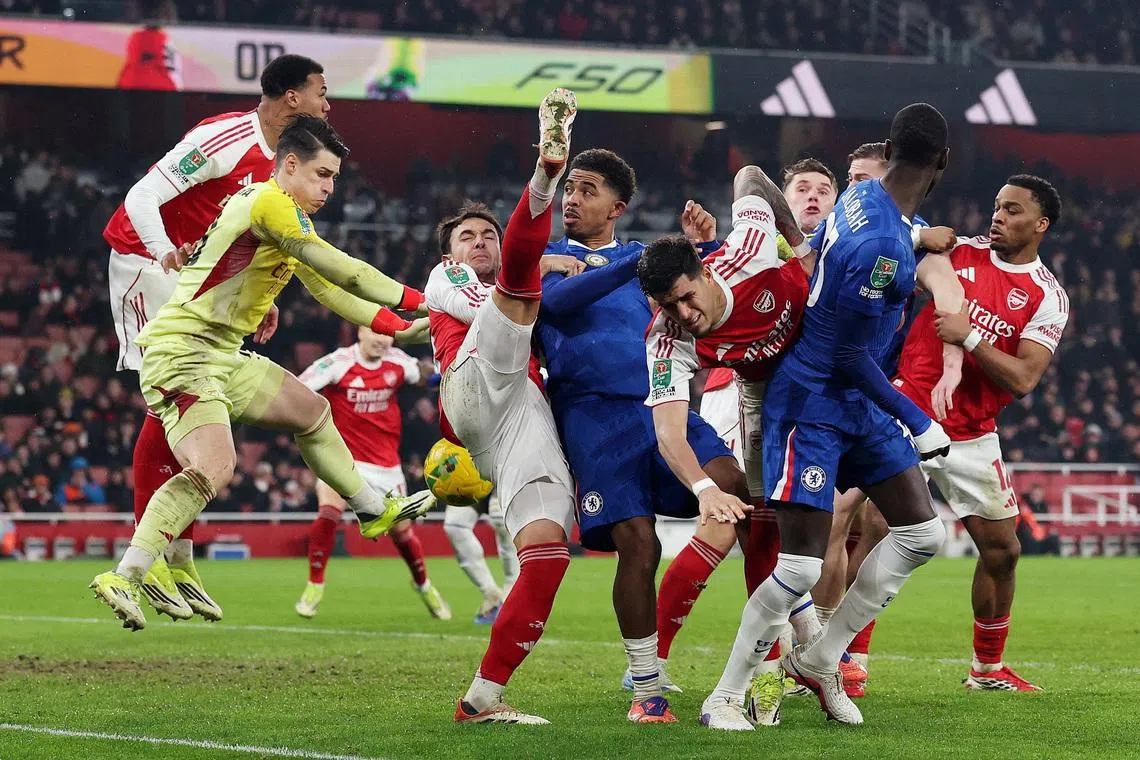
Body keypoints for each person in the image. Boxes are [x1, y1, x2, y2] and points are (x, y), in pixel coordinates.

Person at [89, 116, 435, 632]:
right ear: (289, 164)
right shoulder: (268, 201)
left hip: (222, 355)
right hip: (182, 353)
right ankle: (127, 574)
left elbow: (329, 290)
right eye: (322, 175)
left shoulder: (286, 214)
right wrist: (425, 300)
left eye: (335, 178)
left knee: (312, 411)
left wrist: (399, 328)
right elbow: (346, 270)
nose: (329, 188)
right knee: (214, 466)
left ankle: (369, 508)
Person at [102, 54, 331, 622]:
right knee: (174, 400)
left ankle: (174, 553)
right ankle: (154, 554)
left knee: (198, 404)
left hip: (197, 280)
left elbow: (248, 241)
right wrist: (163, 255)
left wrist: (259, 302)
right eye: (321, 92)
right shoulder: (226, 136)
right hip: (146, 261)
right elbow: (140, 198)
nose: (329, 103)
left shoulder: (285, 166)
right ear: (292, 98)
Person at [756, 103, 957, 726]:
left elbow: (923, 260)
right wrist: (918, 418)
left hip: (854, 400)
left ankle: (822, 655)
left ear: (888, 149)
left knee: (922, 531)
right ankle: (739, 681)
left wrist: (928, 244)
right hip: (821, 396)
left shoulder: (864, 204)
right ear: (942, 164)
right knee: (799, 556)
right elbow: (847, 352)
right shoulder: (881, 240)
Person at [535, 149, 750, 724]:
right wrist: (638, 261)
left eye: (586, 190)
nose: (571, 199)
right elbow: (553, 305)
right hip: (592, 416)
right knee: (639, 542)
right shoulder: (545, 260)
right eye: (569, 189)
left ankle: (786, 641)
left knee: (733, 486)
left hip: (662, 399)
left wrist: (702, 247)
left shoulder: (644, 264)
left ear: (617, 207)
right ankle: (647, 688)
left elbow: (705, 288)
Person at [637, 163, 816, 730]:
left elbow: (748, 176)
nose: (684, 316)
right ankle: (768, 668)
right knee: (762, 523)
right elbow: (669, 428)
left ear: (705, 269)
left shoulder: (753, 245)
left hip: (823, 371)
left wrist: (800, 242)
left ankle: (822, 657)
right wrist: (704, 487)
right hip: (760, 393)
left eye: (687, 299)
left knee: (832, 527)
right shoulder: (666, 338)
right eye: (669, 306)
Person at [427, 88, 580, 725]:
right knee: (516, 289)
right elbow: (502, 293)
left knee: (547, 555)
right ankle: (546, 171)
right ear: (449, 251)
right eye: (469, 236)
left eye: (490, 234)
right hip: (472, 381)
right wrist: (550, 262)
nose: (480, 242)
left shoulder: (513, 285)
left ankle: (483, 698)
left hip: (517, 414)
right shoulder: (448, 278)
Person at [895, 175, 1069, 691]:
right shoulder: (956, 254)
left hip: (972, 432)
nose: (997, 216)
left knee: (1003, 549)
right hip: (908, 412)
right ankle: (849, 661)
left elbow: (1023, 379)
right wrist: (918, 238)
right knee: (872, 528)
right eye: (996, 206)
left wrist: (968, 335)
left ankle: (987, 671)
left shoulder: (1047, 296)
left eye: (1012, 210)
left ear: (1040, 226)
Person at [811, 140, 962, 682]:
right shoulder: (862, 225)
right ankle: (819, 645)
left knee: (883, 524)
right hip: (833, 390)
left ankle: (838, 649)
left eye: (861, 177)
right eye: (847, 177)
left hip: (877, 391)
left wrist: (952, 358)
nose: (852, 187)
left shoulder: (901, 236)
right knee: (830, 524)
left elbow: (947, 291)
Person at [294, 325, 451, 621]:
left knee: (403, 535)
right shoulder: (337, 363)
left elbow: (428, 377)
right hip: (344, 461)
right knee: (328, 513)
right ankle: (314, 585)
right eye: (375, 332)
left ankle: (425, 585)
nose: (381, 339)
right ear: (360, 331)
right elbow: (300, 388)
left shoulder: (398, 361)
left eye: (387, 333)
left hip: (387, 466)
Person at [442, 490, 520, 624]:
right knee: (455, 525)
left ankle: (513, 598)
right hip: (472, 474)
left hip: (507, 473)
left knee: (501, 517)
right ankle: (492, 596)